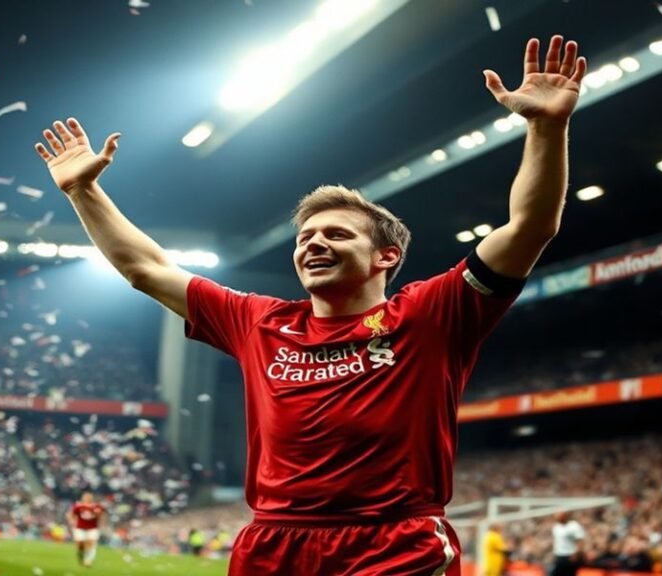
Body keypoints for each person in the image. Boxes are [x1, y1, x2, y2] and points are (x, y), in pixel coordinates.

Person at [35, 35, 586, 575]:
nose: (313, 243)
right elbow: (146, 269)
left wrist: (546, 127)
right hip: (272, 543)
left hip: (391, 543)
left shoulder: (429, 314)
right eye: (305, 237)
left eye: (337, 235)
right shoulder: (259, 322)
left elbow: (530, 227)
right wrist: (84, 192)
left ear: (385, 256)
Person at [66, 491, 106, 567]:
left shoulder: (97, 506)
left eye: (89, 497)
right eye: (85, 497)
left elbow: (102, 515)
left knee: (91, 543)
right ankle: (81, 553)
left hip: (92, 528)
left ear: (92, 498)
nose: (87, 498)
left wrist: (101, 520)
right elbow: (71, 514)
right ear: (83, 498)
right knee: (81, 543)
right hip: (80, 527)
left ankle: (88, 560)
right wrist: (71, 521)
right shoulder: (78, 506)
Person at [551, 511, 586, 576]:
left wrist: (576, 554)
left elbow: (580, 540)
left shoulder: (573, 526)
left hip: (569, 555)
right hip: (559, 555)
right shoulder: (556, 527)